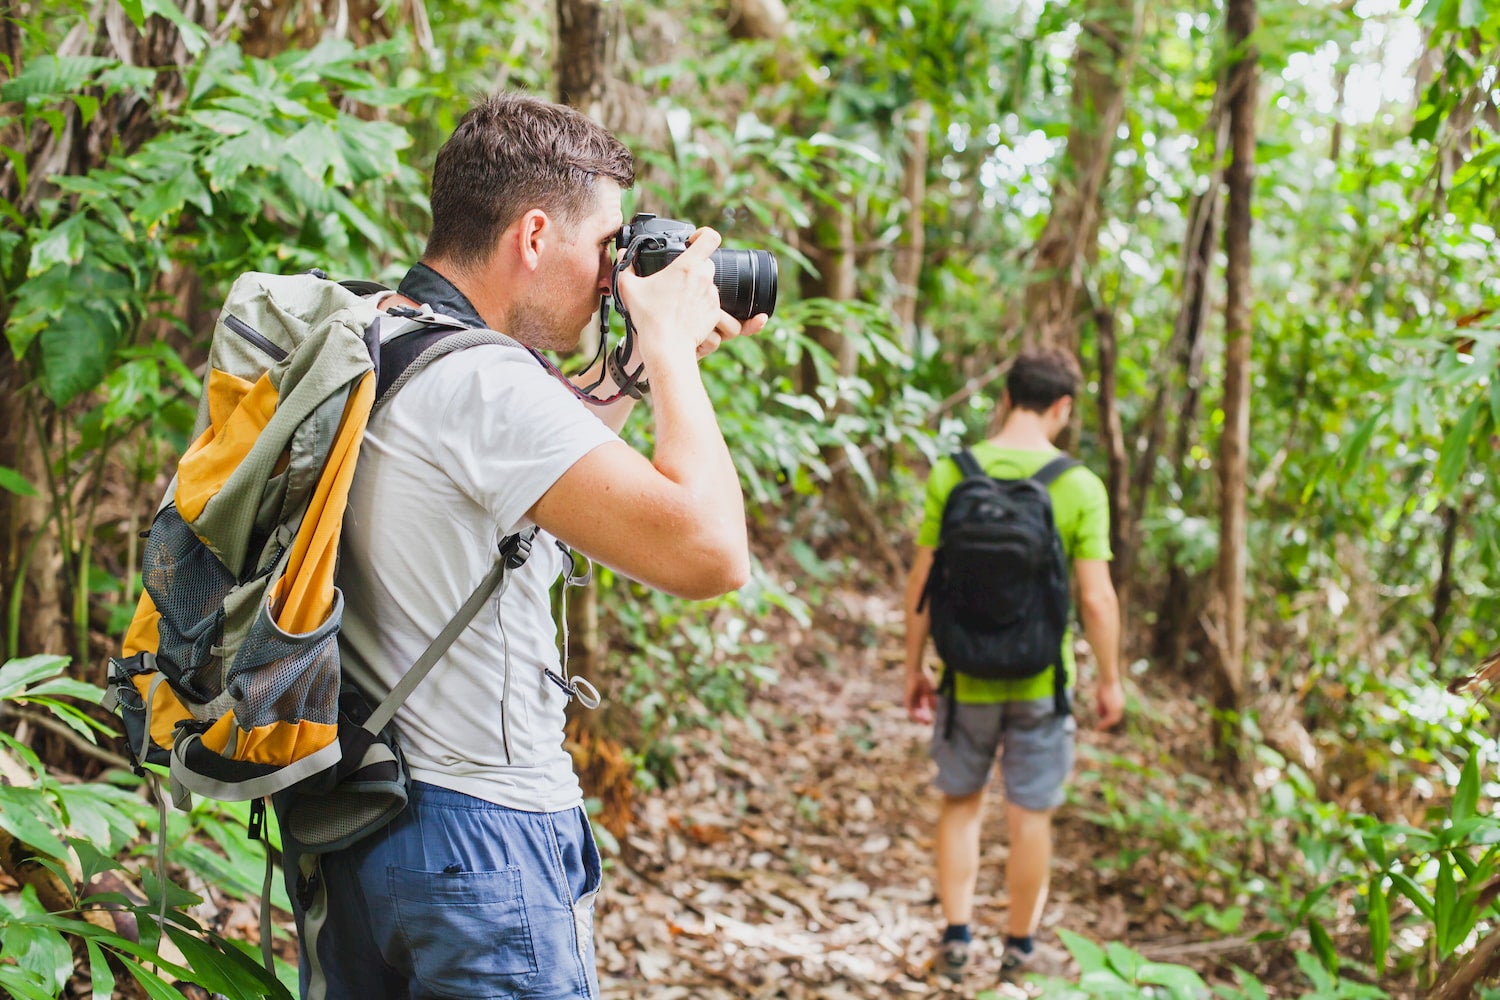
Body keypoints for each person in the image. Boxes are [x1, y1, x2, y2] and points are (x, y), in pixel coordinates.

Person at [278, 93, 767, 999]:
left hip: (359, 821)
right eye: (607, 247)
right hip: (483, 845)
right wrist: (664, 348)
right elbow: (711, 555)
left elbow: (529, 454)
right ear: (535, 235)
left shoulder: (381, 333)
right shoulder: (484, 385)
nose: (614, 276)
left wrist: (628, 371)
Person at [901, 346, 1124, 981]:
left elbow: (922, 581)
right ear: (1063, 407)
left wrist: (914, 666)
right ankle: (1019, 952)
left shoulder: (954, 472)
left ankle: (956, 940)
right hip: (1041, 681)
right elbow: (1098, 598)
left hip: (965, 673)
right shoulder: (1080, 485)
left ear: (1005, 398)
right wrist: (1111, 680)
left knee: (962, 802)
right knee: (1031, 814)